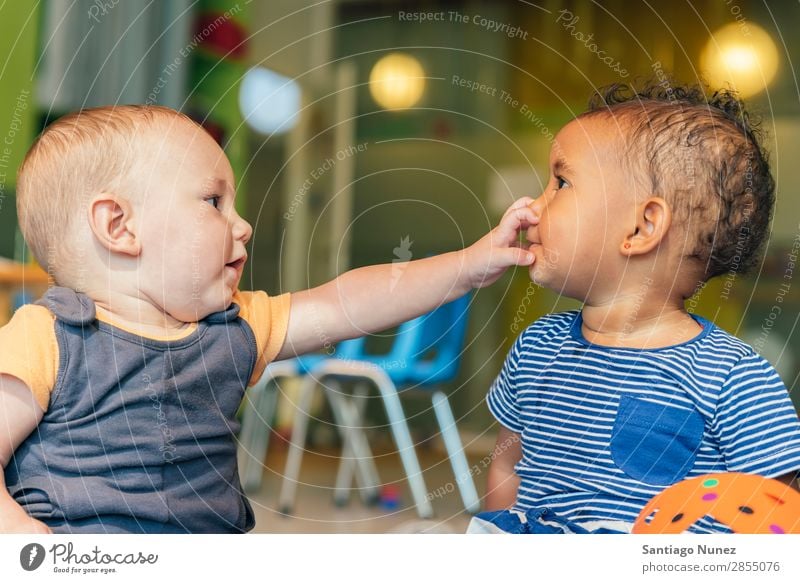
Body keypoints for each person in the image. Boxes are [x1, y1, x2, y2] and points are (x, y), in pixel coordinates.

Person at [0, 105, 538, 533]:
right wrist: (20, 536)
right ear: (118, 225)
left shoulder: (236, 327)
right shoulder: (48, 338)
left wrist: (468, 265)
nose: (244, 225)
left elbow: (346, 303)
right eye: (214, 201)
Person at [476, 81, 800, 534]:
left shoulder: (733, 377)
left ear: (642, 226)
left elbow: (774, 516)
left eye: (561, 183)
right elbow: (507, 465)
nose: (531, 206)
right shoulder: (536, 348)